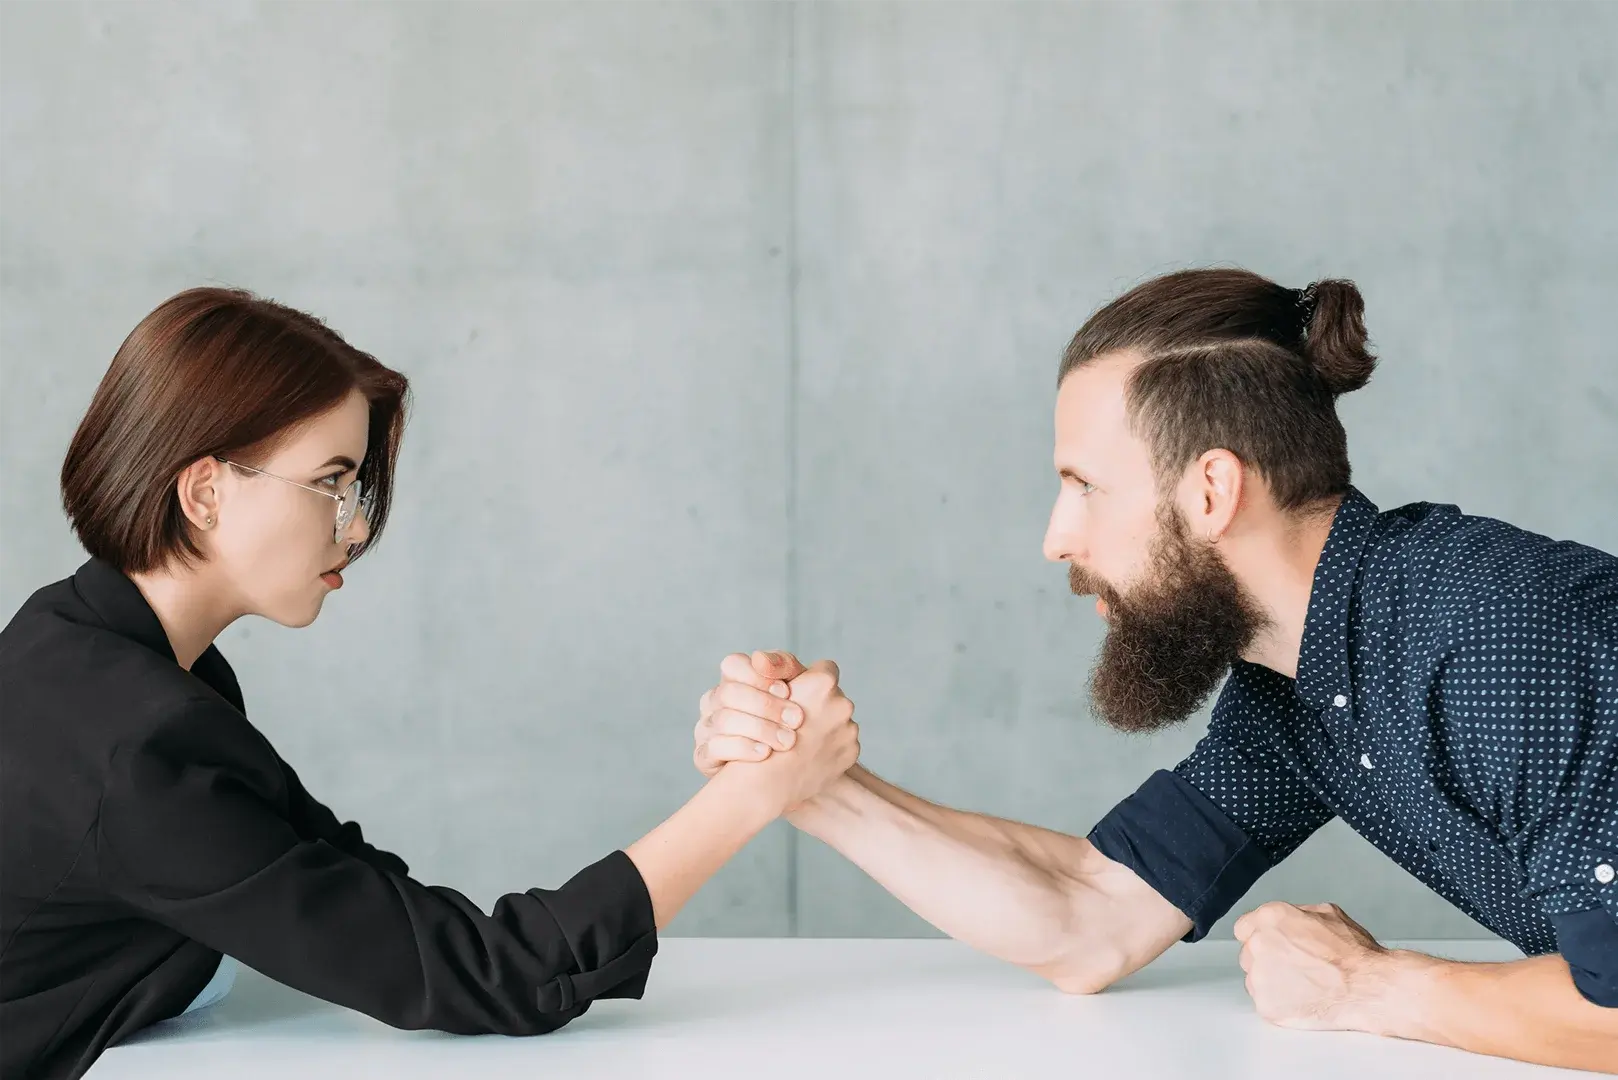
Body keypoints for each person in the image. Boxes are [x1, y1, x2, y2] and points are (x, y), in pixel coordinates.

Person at [693, 268, 1618, 1072]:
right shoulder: (1298, 679)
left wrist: (1370, 987)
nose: (1056, 540)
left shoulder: (1501, 637)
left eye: (1083, 487)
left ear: (1210, 491)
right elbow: (1091, 915)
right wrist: (809, 784)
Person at [0, 287, 860, 1080]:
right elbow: (481, 978)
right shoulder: (136, 746)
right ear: (205, 492)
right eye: (332, 484)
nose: (359, 524)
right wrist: (752, 795)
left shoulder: (83, 643)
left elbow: (345, 880)